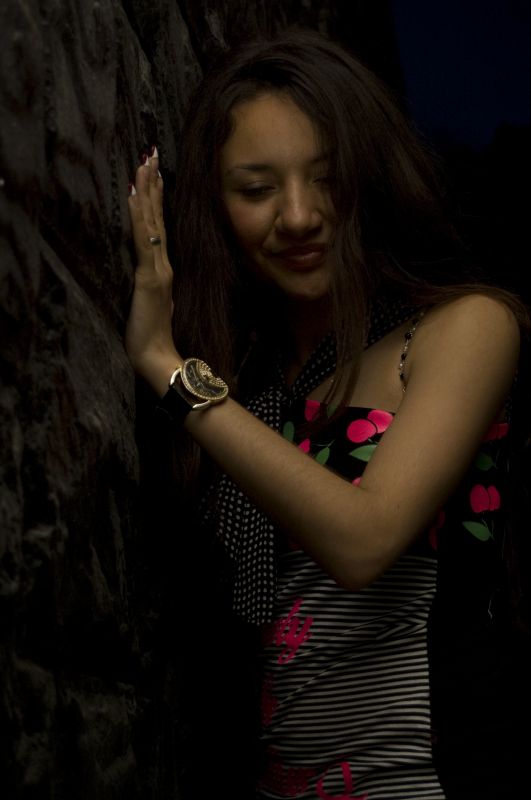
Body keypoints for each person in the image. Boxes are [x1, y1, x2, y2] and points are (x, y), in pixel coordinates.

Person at [125, 28, 531, 800]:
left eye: (328, 179)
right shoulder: (248, 384)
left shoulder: (464, 327)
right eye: (256, 189)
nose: (299, 216)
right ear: (215, 207)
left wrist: (164, 367)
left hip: (422, 776)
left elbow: (363, 541)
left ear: (372, 177)